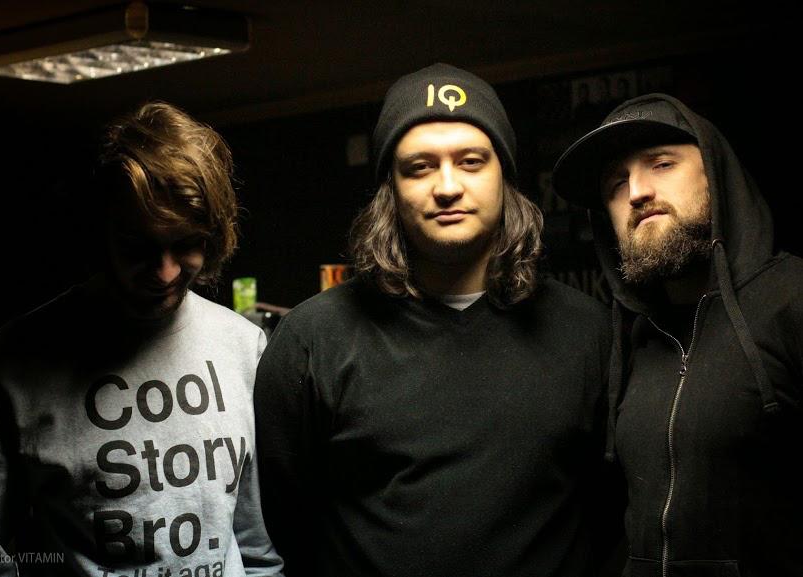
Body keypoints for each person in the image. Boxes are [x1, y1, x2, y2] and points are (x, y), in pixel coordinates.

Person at [254, 63, 620, 577]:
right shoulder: (312, 340)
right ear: (390, 188)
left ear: (504, 177)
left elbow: (613, 513)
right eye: (420, 167)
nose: (447, 187)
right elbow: (287, 525)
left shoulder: (588, 332)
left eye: (470, 162)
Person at [0, 102, 283, 577]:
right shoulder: (10, 363)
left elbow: (257, 547)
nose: (165, 272)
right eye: (139, 247)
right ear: (102, 232)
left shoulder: (244, 347)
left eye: (185, 244)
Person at [552, 93, 803, 575]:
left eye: (662, 164)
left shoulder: (791, 299)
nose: (635, 192)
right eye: (615, 183)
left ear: (715, 175)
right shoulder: (627, 341)